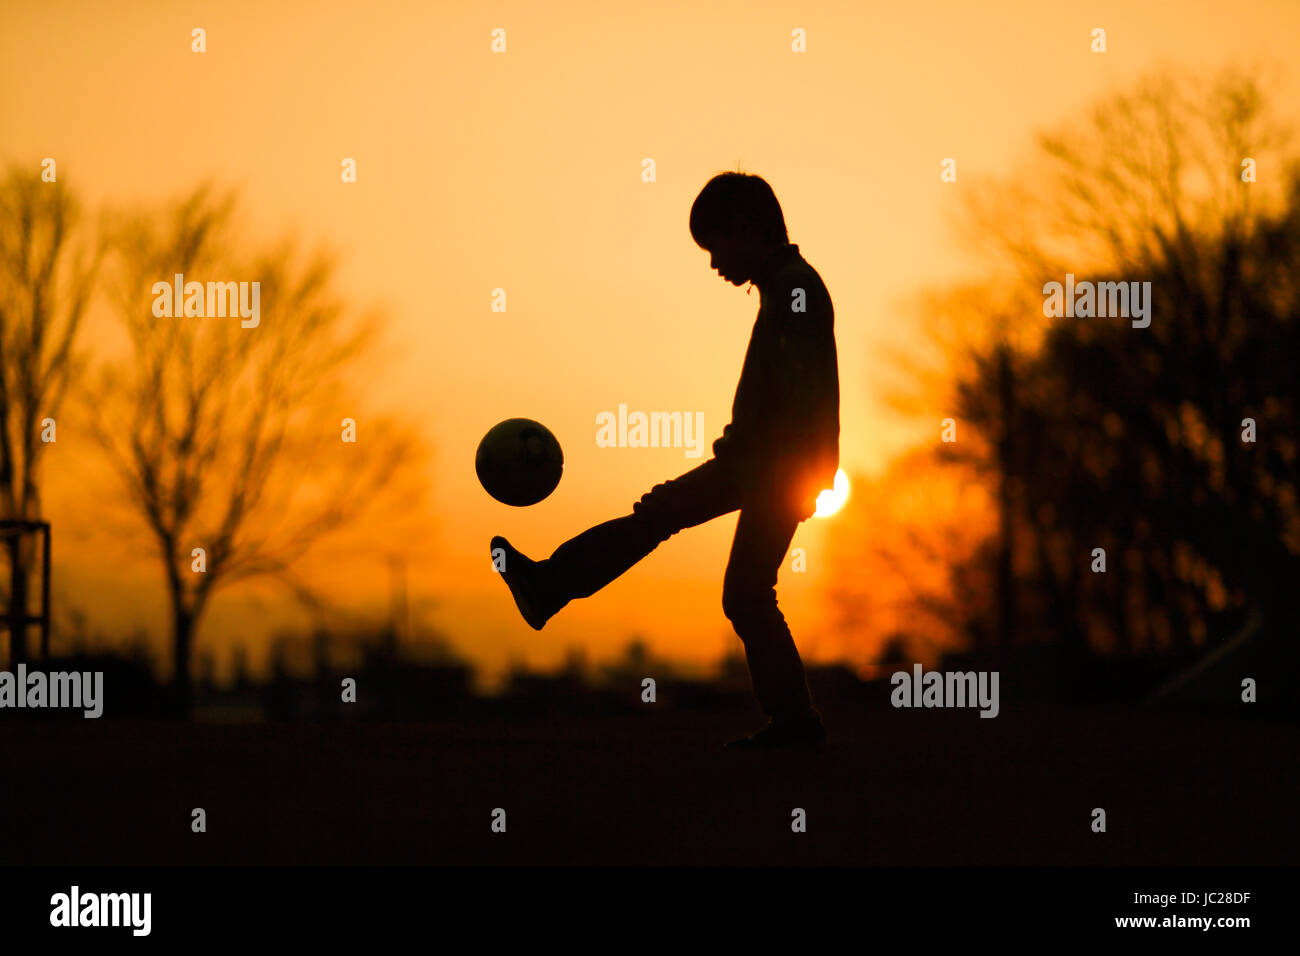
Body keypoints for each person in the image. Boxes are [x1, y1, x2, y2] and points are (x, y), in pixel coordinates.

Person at [490, 171, 840, 752]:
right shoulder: (787, 286)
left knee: (702, 553)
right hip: (767, 465)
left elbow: (806, 395)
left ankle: (549, 585)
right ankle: (795, 726)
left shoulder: (794, 290)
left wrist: (806, 473)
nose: (713, 264)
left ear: (747, 229)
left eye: (715, 246)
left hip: (771, 469)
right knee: (734, 580)